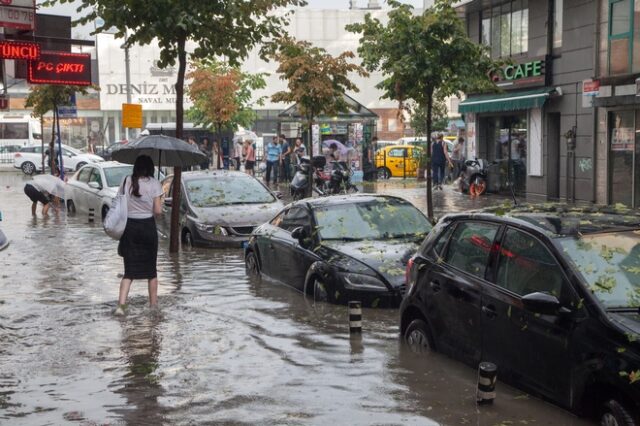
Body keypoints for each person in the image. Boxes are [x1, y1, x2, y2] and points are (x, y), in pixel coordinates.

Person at [114, 155, 163, 315]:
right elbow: (157, 211)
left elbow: (119, 203)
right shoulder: (155, 184)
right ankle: (154, 307)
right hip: (148, 228)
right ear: (150, 168)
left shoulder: (126, 181)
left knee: (129, 271)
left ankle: (121, 306)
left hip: (130, 228)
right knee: (151, 271)